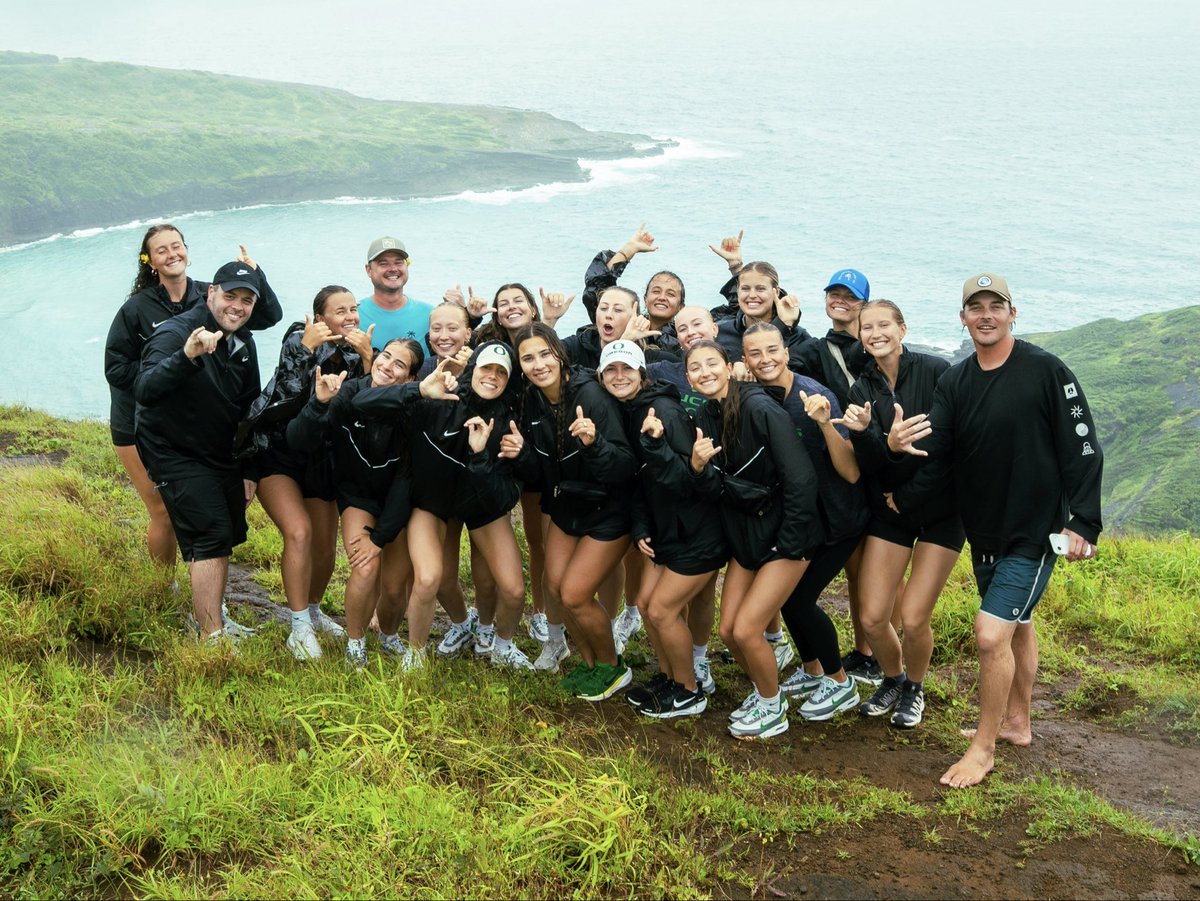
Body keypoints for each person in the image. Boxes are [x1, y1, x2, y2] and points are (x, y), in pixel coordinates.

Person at [889, 273, 1103, 787]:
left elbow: (1082, 445)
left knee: (989, 636)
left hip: (1034, 531)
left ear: (1012, 313)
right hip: (984, 531)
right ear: (962, 318)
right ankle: (1017, 723)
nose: (986, 315)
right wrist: (898, 466)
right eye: (975, 307)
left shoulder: (1047, 371)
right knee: (1017, 625)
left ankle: (982, 750)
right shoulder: (956, 381)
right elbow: (938, 454)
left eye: (996, 306)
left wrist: (1083, 522)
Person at [105, 226, 280, 574]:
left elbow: (264, 316)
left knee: (199, 514)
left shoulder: (207, 294)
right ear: (150, 260)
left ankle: (202, 590)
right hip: (138, 421)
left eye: (177, 246)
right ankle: (164, 587)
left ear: (187, 249)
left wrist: (255, 272)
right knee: (163, 512)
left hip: (190, 426)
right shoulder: (137, 309)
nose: (172, 254)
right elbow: (116, 368)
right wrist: (169, 366)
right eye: (161, 250)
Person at [686, 340, 824, 739]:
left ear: (730, 368)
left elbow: (801, 479)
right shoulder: (708, 414)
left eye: (712, 363)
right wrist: (697, 468)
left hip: (786, 538)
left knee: (748, 630)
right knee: (729, 631)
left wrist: (789, 543)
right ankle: (767, 691)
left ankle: (772, 706)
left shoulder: (761, 408)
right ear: (689, 378)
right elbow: (719, 485)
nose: (705, 372)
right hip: (748, 537)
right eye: (695, 368)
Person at [836, 300, 964, 728]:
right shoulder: (861, 390)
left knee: (912, 617)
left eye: (883, 324)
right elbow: (869, 466)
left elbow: (950, 451)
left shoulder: (938, 371)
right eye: (866, 327)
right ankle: (892, 678)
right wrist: (879, 442)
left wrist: (906, 495)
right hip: (891, 510)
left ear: (902, 329)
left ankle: (914, 686)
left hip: (940, 511)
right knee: (873, 617)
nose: (875, 333)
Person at [133, 261, 270, 642]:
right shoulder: (176, 333)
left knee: (224, 532)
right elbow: (145, 388)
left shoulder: (242, 339)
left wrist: (249, 469)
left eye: (247, 300)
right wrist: (187, 355)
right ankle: (212, 637)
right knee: (209, 533)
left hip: (219, 451)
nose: (238, 306)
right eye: (230, 296)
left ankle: (211, 616)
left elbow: (250, 408)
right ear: (210, 293)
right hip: (173, 452)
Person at [740, 323, 869, 721]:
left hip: (838, 519)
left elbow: (850, 472)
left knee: (798, 600)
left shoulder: (813, 395)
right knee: (789, 600)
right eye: (755, 354)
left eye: (771, 350)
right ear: (745, 359)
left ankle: (840, 681)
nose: (765, 360)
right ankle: (813, 669)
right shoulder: (755, 396)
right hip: (800, 520)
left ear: (786, 351)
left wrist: (824, 423)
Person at [508, 322, 638, 700]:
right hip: (567, 503)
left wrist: (594, 442)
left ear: (559, 354)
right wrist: (522, 454)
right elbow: (543, 470)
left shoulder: (591, 395)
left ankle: (613, 668)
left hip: (609, 507)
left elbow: (624, 466)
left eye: (544, 354)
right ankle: (589, 663)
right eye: (528, 358)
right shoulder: (532, 400)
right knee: (556, 589)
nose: (538, 365)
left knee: (576, 594)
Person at [599, 340, 727, 717]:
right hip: (664, 528)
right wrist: (640, 527)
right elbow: (641, 482)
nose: (619, 377)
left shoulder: (664, 412)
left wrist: (653, 445)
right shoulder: (629, 411)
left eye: (627, 370)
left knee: (660, 610)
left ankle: (689, 690)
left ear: (642, 373)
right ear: (602, 376)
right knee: (650, 607)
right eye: (612, 370)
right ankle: (671, 678)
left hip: (697, 530)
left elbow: (690, 479)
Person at [248, 286, 374, 660]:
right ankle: (298, 625)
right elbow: (285, 391)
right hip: (279, 453)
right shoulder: (297, 337)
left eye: (354, 309)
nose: (350, 316)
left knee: (324, 546)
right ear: (320, 317)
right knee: (299, 533)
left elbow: (369, 407)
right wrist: (305, 347)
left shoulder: (360, 350)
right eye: (340, 311)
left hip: (323, 458)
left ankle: (315, 611)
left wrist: (368, 361)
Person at [286, 337, 425, 668]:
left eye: (399, 364)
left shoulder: (416, 409)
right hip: (357, 496)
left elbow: (407, 479)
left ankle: (389, 634)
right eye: (385, 356)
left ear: (410, 379)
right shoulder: (348, 390)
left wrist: (382, 536)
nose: (386, 366)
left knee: (393, 589)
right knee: (365, 566)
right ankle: (355, 641)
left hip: (398, 500)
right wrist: (319, 403)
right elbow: (298, 439)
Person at [581, 224, 684, 354]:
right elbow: (596, 288)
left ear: (681, 306)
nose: (662, 297)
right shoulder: (623, 323)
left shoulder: (683, 338)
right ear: (645, 299)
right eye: (656, 291)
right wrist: (629, 250)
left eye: (670, 294)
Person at [358, 236, 435, 351]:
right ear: (368, 270)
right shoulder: (354, 315)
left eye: (398, 263)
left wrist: (467, 313)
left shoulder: (430, 314)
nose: (393, 268)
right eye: (384, 263)